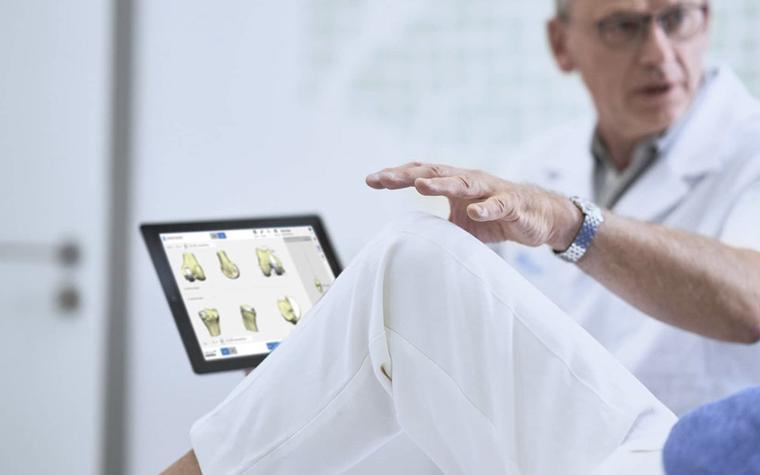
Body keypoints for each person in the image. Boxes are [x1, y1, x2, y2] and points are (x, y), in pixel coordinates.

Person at [163, 0, 760, 472]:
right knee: (381, 357)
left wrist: (571, 223)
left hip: (659, 448)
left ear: (707, 19)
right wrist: (319, 357)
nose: (658, 51)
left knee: (411, 259)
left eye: (677, 17)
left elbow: (752, 297)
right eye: (623, 27)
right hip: (540, 441)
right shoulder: (544, 160)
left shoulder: (748, 148)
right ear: (562, 45)